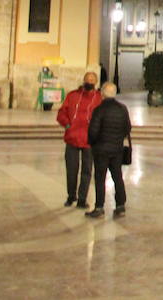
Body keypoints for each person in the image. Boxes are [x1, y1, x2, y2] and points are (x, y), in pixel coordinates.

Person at [56, 71, 103, 208]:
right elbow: (62, 113)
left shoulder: (99, 98)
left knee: (87, 170)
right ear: (83, 80)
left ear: (96, 82)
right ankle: (71, 196)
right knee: (71, 169)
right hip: (72, 138)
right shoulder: (73, 96)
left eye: (92, 80)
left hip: (90, 140)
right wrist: (67, 124)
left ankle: (82, 198)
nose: (90, 81)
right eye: (88, 79)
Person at [87, 82, 132, 218]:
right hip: (117, 149)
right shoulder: (122, 109)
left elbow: (93, 132)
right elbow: (128, 128)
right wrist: (117, 139)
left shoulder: (99, 110)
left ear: (102, 94)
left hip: (101, 150)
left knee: (100, 178)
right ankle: (120, 206)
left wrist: (93, 143)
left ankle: (99, 207)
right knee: (117, 177)